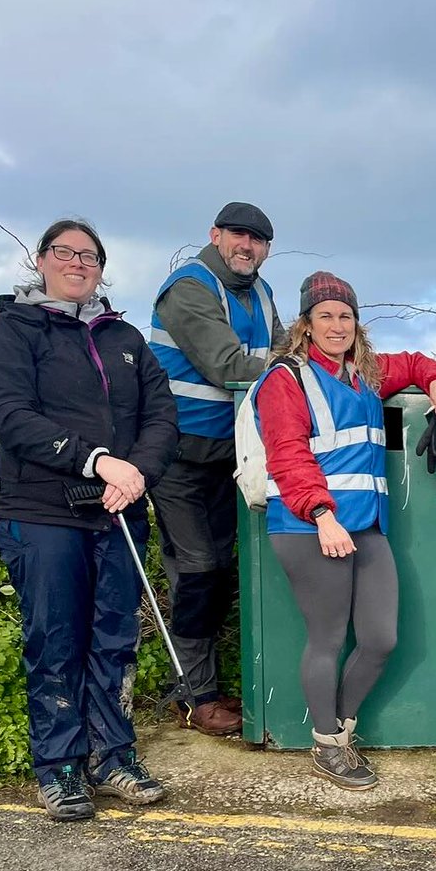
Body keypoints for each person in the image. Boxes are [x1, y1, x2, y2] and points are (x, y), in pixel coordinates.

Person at [0, 219, 179, 821]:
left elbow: (161, 416)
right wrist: (95, 460)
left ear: (101, 268)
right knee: (56, 640)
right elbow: (7, 414)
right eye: (65, 252)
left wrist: (137, 472)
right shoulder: (11, 329)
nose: (77, 263)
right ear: (41, 260)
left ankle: (113, 757)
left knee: (115, 640)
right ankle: (60, 767)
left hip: (118, 509)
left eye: (89, 256)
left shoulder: (124, 337)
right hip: (41, 510)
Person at [251, 272, 436, 789]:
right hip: (309, 527)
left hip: (365, 527)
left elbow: (414, 362)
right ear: (305, 324)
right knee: (327, 639)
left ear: (356, 324)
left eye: (345, 316)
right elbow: (287, 455)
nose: (337, 325)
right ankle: (327, 745)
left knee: (381, 639)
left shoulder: (364, 373)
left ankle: (340, 729)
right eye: (325, 316)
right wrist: (322, 516)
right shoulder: (285, 379)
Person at [148, 202, 284, 736]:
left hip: (230, 456)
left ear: (267, 248)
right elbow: (227, 365)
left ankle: (204, 686)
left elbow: (282, 348)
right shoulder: (189, 286)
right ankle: (193, 697)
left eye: (257, 239)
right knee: (198, 571)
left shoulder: (262, 292)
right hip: (177, 454)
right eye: (237, 235)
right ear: (215, 235)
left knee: (223, 571)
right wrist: (304, 368)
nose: (246, 245)